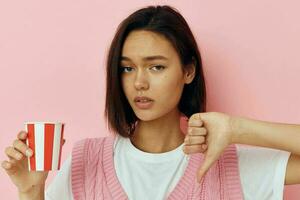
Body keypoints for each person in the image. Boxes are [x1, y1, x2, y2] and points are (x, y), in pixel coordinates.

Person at [2, 5, 300, 200]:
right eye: (127, 68)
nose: (139, 82)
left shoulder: (227, 166)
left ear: (188, 71)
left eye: (156, 66)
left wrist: (235, 128)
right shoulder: (85, 161)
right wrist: (30, 191)